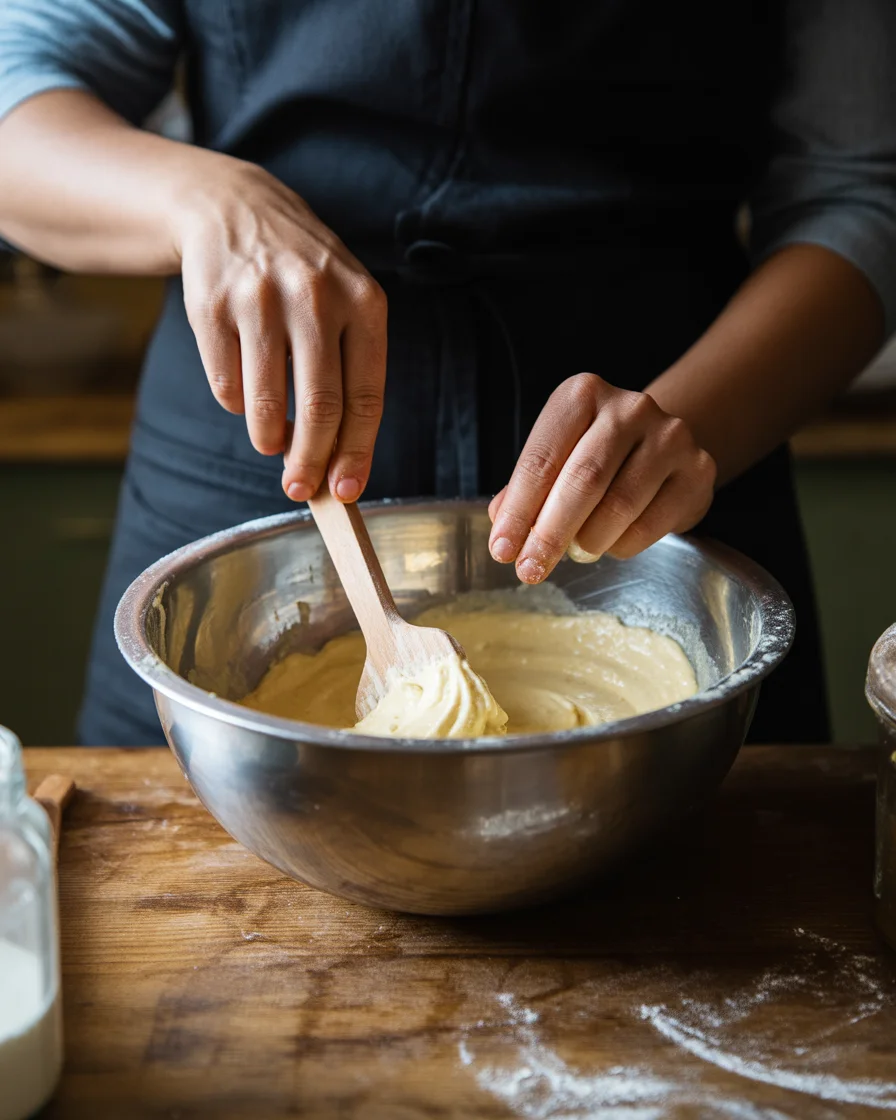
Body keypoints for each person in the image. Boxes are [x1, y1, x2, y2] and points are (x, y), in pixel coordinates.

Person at [0, 1, 893, 746]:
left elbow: (859, 193)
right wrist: (201, 200)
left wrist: (695, 422)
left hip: (663, 476)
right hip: (251, 456)